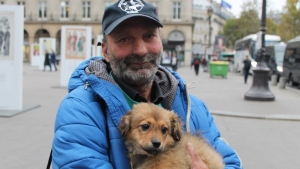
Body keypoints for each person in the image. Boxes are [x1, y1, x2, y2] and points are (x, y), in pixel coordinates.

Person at [51, 1, 243, 169]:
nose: (141, 50)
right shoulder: (79, 111)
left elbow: (231, 162)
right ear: (106, 51)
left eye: (149, 36)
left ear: (160, 41)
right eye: (124, 39)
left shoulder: (195, 107)